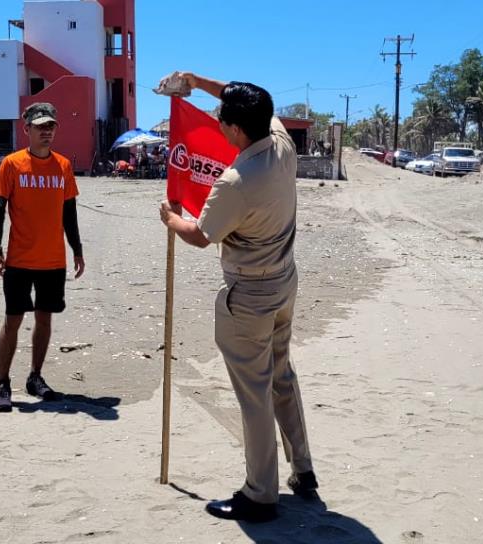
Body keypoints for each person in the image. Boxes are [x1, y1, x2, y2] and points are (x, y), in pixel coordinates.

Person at [158, 73, 317, 523]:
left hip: (249, 295)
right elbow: (241, 95)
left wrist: (170, 218)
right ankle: (303, 470)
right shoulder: (282, 145)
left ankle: (260, 493)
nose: (216, 122)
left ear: (235, 129)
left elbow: (202, 235)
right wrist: (194, 81)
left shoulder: (237, 179)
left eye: (222, 119)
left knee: (254, 394)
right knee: (282, 375)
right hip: (284, 281)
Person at [0, 102, 84, 413]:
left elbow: (69, 212)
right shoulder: (12, 165)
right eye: (40, 126)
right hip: (18, 259)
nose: (47, 131)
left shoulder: (63, 166)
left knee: (44, 319)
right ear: (26, 129)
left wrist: (77, 249)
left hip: (53, 261)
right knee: (13, 320)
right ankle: (3, 382)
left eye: (51, 126)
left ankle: (35, 377)